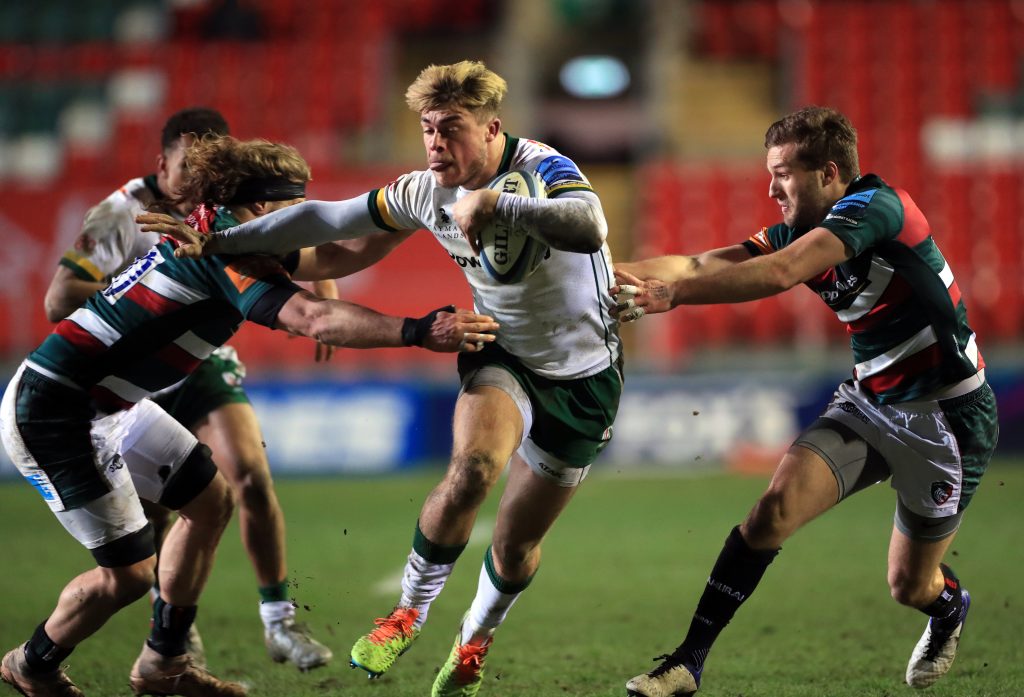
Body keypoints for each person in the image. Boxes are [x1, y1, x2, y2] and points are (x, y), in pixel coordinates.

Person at [158, 60, 623, 697]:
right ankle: (406, 613)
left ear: (492, 129)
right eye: (428, 128)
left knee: (515, 545)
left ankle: (471, 645)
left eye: (451, 128)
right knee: (472, 469)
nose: (435, 143)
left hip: (586, 372)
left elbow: (591, 226)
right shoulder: (423, 190)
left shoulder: (544, 168)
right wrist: (223, 244)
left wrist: (497, 202)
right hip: (502, 349)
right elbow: (327, 220)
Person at [0, 136, 498, 697]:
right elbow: (312, 318)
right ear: (261, 207)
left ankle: (164, 665)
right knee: (128, 577)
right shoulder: (225, 254)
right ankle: (32, 664)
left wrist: (414, 208)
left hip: (110, 403)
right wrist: (417, 330)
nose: (304, 218)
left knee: (210, 502)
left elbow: (337, 255)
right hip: (57, 411)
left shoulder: (227, 233)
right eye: (294, 205)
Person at [612, 105, 998, 695]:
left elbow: (780, 273)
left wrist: (675, 297)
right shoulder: (799, 227)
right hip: (870, 405)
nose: (770, 189)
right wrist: (601, 273)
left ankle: (948, 607)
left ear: (829, 172)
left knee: (908, 586)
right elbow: (698, 262)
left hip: (947, 418)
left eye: (784, 173)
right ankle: (687, 663)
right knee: (771, 512)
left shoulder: (878, 207)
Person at [42, 106, 339, 670]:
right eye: (189, 166)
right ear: (161, 164)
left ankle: (280, 623)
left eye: (215, 166)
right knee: (158, 513)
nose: (204, 177)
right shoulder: (119, 213)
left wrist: (322, 283)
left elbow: (292, 237)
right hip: (131, 366)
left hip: (200, 361)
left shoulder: (221, 211)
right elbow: (60, 300)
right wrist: (139, 300)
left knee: (249, 473)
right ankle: (173, 633)